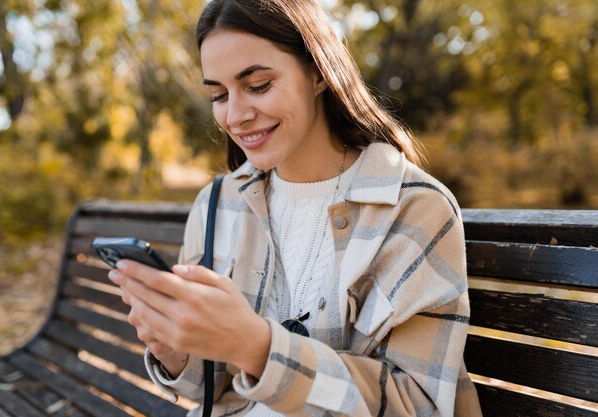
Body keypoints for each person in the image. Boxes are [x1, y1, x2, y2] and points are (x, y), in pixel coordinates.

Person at [107, 0, 483, 416]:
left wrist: (259, 348)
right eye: (218, 94)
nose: (234, 115)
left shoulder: (413, 211)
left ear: (318, 72)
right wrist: (174, 349)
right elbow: (213, 392)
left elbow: (419, 406)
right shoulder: (218, 204)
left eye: (259, 85)